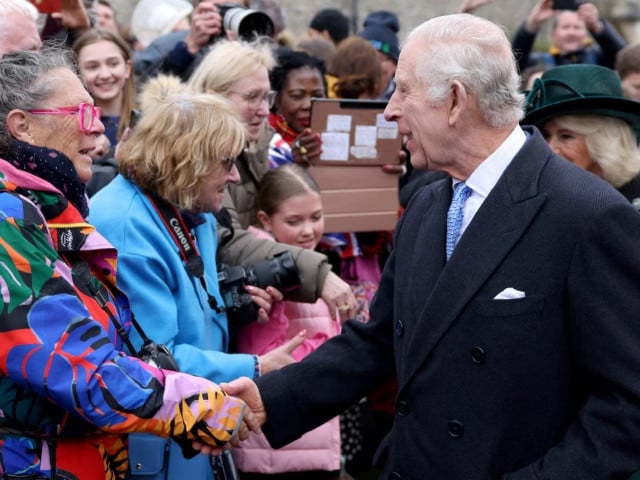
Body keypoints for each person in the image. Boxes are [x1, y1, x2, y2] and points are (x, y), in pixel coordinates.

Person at [223, 13, 640, 479]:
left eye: (404, 90)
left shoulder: (588, 215)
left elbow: (626, 406)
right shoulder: (426, 205)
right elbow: (380, 341)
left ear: (456, 101)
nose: (389, 111)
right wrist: (273, 397)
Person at [0, 46, 253, 480]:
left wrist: (202, 391)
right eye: (81, 112)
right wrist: (197, 407)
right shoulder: (7, 221)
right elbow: (82, 368)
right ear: (22, 126)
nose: (98, 125)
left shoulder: (46, 210)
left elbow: (119, 344)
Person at [90, 73, 303, 479]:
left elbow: (194, 311)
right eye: (226, 163)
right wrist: (256, 367)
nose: (236, 176)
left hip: (195, 426)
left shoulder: (191, 208)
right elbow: (153, 358)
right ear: (187, 162)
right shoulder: (126, 225)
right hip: (156, 444)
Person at [232, 164, 342, 479]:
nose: (308, 230)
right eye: (294, 221)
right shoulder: (268, 276)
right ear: (265, 221)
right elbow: (265, 358)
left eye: (316, 217)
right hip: (276, 450)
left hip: (310, 438)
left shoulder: (313, 269)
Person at [522, 63, 640, 209]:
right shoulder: (537, 198)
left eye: (566, 136)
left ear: (603, 139)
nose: (551, 148)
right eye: (546, 135)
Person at [187, 38, 277, 229]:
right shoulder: (198, 154)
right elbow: (231, 240)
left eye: (266, 97)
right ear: (213, 96)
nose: (264, 111)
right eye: (252, 97)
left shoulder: (256, 142)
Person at [72, 28, 137, 195]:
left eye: (113, 63)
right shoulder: (70, 127)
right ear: (77, 74)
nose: (105, 74)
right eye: (92, 67)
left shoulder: (150, 121)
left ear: (127, 68)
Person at [512, 0, 626, 73]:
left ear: (586, 34)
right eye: (565, 27)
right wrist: (533, 22)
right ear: (553, 35)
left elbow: (625, 59)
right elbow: (515, 64)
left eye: (577, 27)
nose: (571, 32)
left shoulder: (600, 59)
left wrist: (598, 27)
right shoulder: (538, 62)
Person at [268, 47, 326, 167]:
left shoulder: (337, 138)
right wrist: (291, 158)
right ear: (276, 100)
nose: (308, 105)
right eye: (297, 96)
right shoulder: (263, 142)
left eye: (318, 95)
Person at [357, 10, 400, 100]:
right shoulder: (343, 95)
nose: (373, 66)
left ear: (394, 65)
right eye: (365, 59)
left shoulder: (404, 98)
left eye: (379, 59)